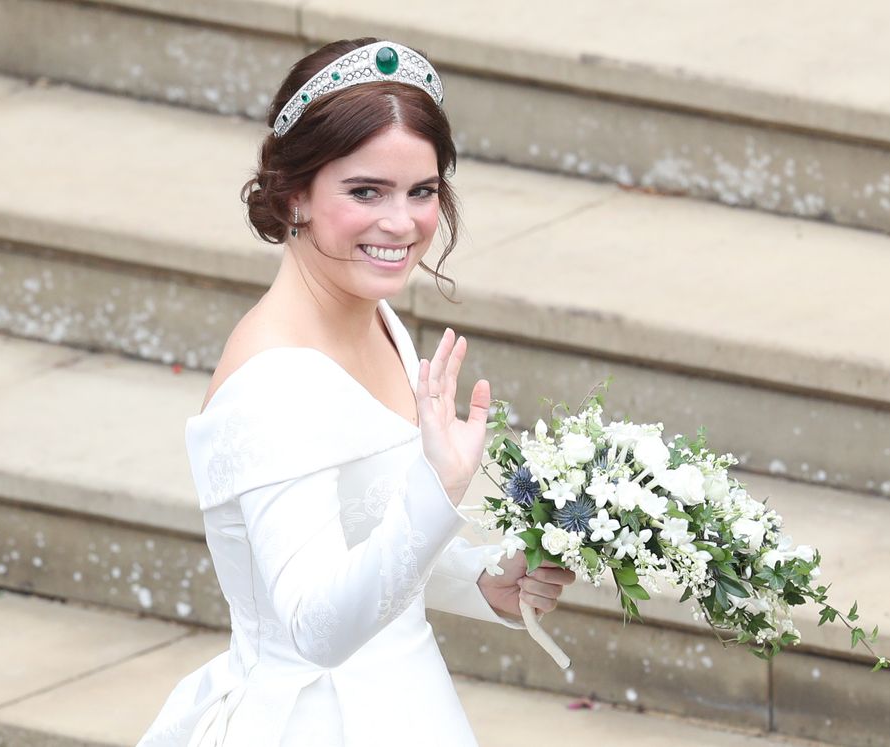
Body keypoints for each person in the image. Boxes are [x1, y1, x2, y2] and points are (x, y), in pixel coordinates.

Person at [138, 38, 576, 745]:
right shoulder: (272, 386)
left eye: (422, 191)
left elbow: (362, 531)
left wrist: (479, 578)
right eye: (365, 191)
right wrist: (438, 489)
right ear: (293, 193)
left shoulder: (377, 317)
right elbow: (314, 625)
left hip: (407, 701)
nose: (401, 224)